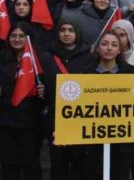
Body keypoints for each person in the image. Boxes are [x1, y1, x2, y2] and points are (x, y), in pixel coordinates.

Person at [83, 31, 134, 180]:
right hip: (92, 146)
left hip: (122, 146)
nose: (109, 48)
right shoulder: (84, 75)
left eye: (114, 45)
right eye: (104, 44)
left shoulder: (131, 74)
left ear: (119, 50)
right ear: (98, 48)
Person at [39, 18, 92, 180]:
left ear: (77, 33)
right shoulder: (46, 57)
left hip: (81, 120)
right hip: (55, 120)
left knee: (80, 165)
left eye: (71, 30)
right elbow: (41, 81)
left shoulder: (89, 57)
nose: (67, 34)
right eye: (63, 30)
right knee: (58, 164)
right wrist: (40, 89)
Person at [0, 22, 44, 180]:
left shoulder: (38, 59)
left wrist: (42, 91)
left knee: (31, 164)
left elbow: (48, 88)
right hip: (5, 122)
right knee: (8, 165)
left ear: (28, 39)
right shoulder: (1, 58)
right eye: (13, 36)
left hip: (32, 123)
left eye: (21, 36)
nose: (17, 39)